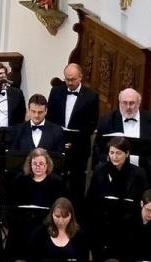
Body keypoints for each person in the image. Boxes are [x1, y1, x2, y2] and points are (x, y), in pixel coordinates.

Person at [85, 136, 148, 261]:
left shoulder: (138, 174)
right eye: (112, 152)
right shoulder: (100, 170)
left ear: (127, 153)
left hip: (126, 230)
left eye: (118, 153)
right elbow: (90, 200)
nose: (114, 157)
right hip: (102, 229)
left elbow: (141, 202)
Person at [47, 63, 99, 203]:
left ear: (80, 77)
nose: (69, 82)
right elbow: (50, 118)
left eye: (73, 79)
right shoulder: (56, 92)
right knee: (56, 179)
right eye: (67, 79)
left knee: (77, 183)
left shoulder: (91, 96)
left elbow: (92, 124)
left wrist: (74, 142)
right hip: (58, 143)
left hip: (80, 146)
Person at [2, 148, 66, 261]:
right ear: (30, 165)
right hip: (21, 226)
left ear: (47, 165)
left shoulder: (56, 182)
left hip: (46, 226)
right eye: (35, 164)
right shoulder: (20, 180)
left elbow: (60, 207)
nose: (38, 166)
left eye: (41, 164)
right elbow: (10, 205)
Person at [94, 88, 151, 185]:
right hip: (113, 176)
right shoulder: (107, 120)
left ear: (138, 103)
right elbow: (98, 148)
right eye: (124, 103)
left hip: (144, 177)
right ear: (119, 103)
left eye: (132, 103)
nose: (128, 107)